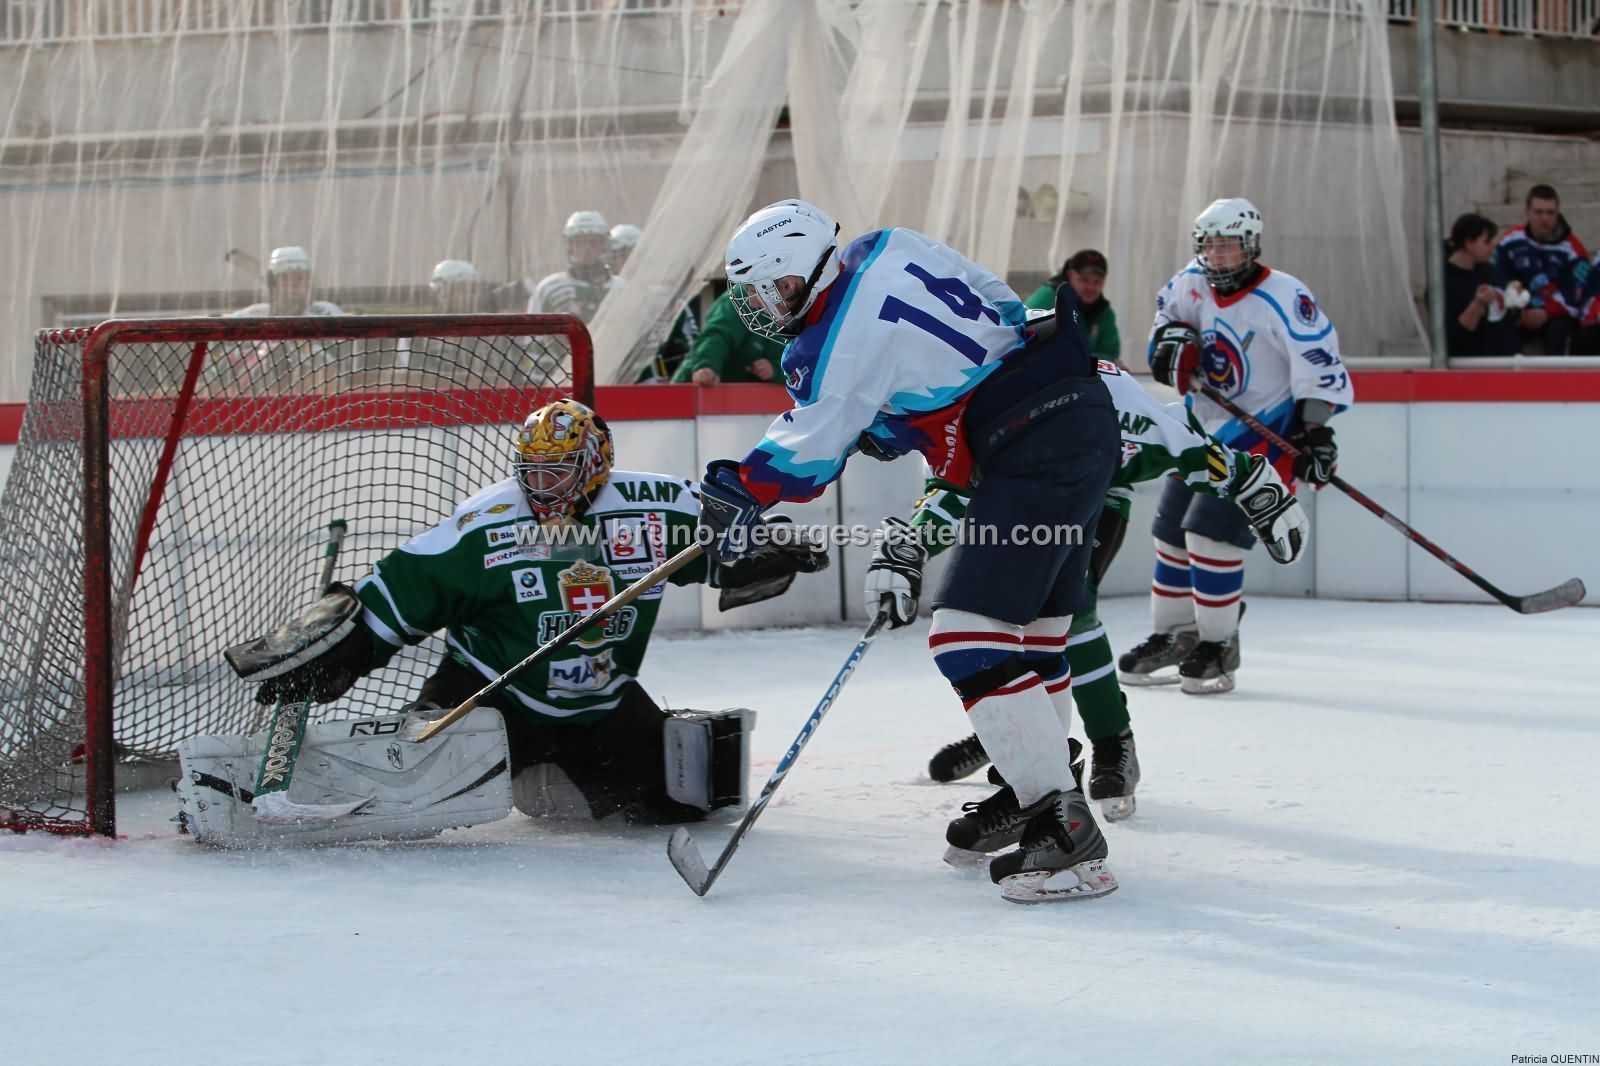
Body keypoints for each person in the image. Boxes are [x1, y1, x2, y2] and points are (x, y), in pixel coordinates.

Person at [694, 198, 1122, 904]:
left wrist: (739, 489)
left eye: (770, 288)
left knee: (967, 638)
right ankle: (1038, 794)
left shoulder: (833, 342)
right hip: (1072, 408)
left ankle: (1063, 824)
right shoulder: (887, 243)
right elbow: (998, 305)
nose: (762, 306)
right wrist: (912, 406)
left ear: (803, 274)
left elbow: (808, 450)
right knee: (1038, 633)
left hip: (1032, 441)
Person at [201, 399, 829, 841]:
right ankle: (256, 790)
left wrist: (767, 545)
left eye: (556, 472)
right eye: (531, 471)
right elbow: (401, 594)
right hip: (490, 693)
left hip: (601, 702)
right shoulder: (488, 524)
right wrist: (337, 654)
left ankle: (553, 775)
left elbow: (723, 548)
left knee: (678, 804)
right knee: (407, 799)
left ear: (593, 466)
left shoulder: (656, 507)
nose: (541, 487)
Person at [906, 353, 1309, 843]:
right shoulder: (946, 401)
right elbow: (945, 490)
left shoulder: (1118, 412)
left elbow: (1186, 446)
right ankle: (1017, 733)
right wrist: (907, 548)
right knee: (993, 619)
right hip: (1014, 482)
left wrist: (1254, 483)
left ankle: (1112, 741)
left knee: (1067, 612)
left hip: (1092, 476)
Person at [1120, 197, 1353, 694]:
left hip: (1266, 436)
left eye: (1228, 246)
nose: (1218, 256)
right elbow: (1163, 329)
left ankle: (1219, 644)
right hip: (1201, 431)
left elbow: (1319, 363)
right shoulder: (1189, 283)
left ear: (1250, 245)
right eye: (1210, 246)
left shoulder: (1285, 295)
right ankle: (1176, 635)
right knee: (1170, 533)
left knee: (1211, 534)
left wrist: (1316, 434)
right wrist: (1170, 346)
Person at [1493, 184, 1590, 355]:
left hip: (1555, 314)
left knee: (1560, 329)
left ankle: (1557, 372)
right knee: (1499, 321)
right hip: (1518, 309)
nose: (1544, 218)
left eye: (1550, 212)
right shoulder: (1510, 241)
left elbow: (1576, 294)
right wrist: (1518, 309)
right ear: (1527, 212)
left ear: (1557, 213)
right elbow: (1498, 278)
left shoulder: (1574, 249)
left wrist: (1546, 313)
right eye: (1538, 212)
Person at [1443, 214, 1524, 358]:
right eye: (1487, 241)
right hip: (1476, 364)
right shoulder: (1444, 283)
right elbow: (1455, 338)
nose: (1493, 245)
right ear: (1469, 243)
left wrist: (1514, 294)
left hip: (1510, 359)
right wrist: (1478, 304)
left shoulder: (1488, 270)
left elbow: (1512, 308)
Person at [1024, 249, 1121, 365]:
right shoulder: (1048, 298)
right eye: (1084, 280)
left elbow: (1111, 354)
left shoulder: (1104, 312)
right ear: (1070, 275)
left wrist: (1083, 361)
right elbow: (1021, 338)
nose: (1090, 287)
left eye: (1097, 282)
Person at [671, 288, 785, 386]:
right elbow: (718, 335)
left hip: (752, 398)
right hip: (701, 390)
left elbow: (794, 366)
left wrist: (775, 370)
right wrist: (706, 365)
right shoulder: (741, 297)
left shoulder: (791, 305)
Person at [528, 210, 618, 321]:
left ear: (603, 244)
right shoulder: (550, 289)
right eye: (580, 242)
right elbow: (533, 329)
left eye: (593, 242)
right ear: (570, 245)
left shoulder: (620, 288)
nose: (587, 249)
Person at [231, 245, 344, 318]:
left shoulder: (326, 313)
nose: (293, 284)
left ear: (309, 282)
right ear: (273, 283)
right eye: (285, 278)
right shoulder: (254, 316)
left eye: (299, 278)